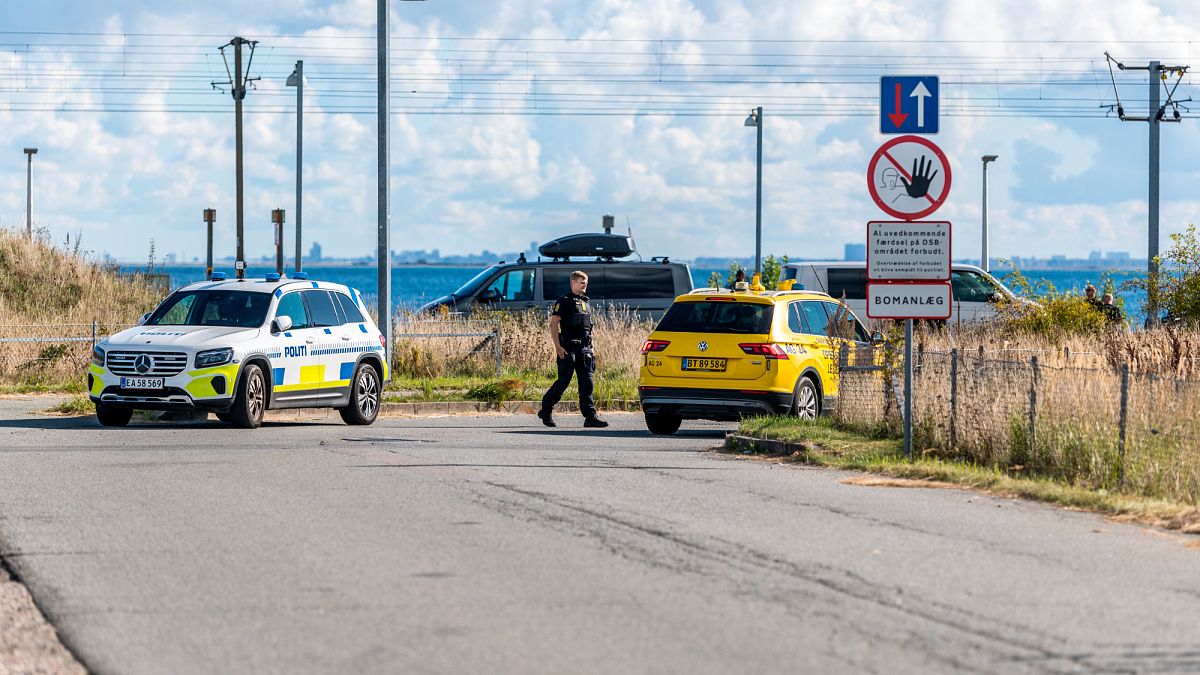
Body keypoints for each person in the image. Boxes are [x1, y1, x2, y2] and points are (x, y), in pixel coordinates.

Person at [537, 271, 608, 428]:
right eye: (582, 283)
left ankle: (590, 417)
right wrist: (558, 347)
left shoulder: (585, 302)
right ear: (573, 283)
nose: (585, 285)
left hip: (585, 349)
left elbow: (587, 328)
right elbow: (553, 324)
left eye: (586, 283)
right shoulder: (564, 301)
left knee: (587, 384)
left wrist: (591, 348)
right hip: (568, 349)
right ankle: (546, 409)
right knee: (563, 382)